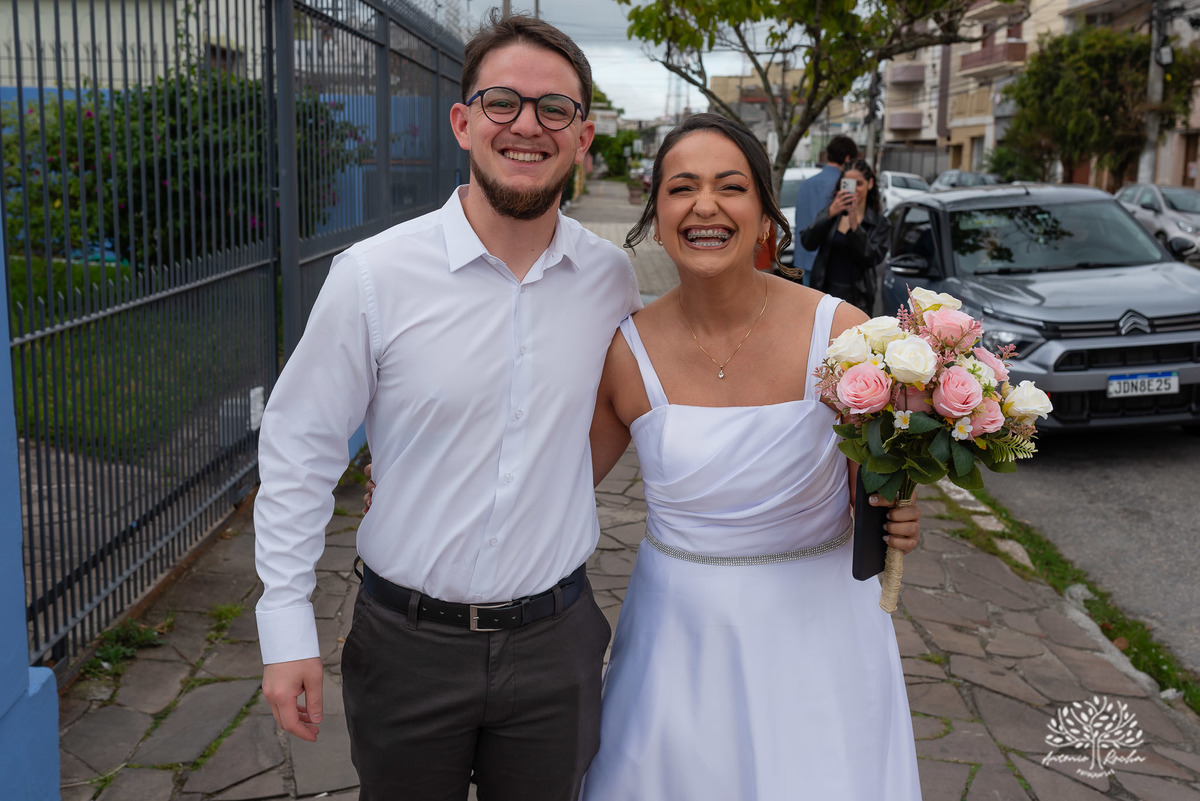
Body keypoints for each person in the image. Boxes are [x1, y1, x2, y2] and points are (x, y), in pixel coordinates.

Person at [253, 12, 640, 801]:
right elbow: (301, 448)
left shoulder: (613, 281)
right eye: (503, 102)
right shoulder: (373, 276)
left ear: (583, 136)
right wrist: (286, 627)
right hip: (407, 646)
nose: (527, 125)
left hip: (556, 643)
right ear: (463, 123)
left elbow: (652, 413)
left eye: (554, 109)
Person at [580, 114, 922, 799]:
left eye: (729, 186)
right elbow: (555, 484)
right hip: (679, 640)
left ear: (766, 213)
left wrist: (900, 508)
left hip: (819, 633)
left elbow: (877, 491)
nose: (705, 205)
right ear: (658, 213)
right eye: (682, 188)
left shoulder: (843, 335)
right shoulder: (625, 350)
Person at [800, 158, 891, 315]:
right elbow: (808, 242)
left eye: (859, 184)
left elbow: (871, 258)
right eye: (848, 184)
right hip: (825, 296)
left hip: (858, 300)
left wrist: (855, 225)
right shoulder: (832, 214)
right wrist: (828, 215)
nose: (854, 189)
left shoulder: (879, 223)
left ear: (870, 184)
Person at [791, 135, 859, 284]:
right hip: (830, 264)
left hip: (804, 257)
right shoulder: (841, 187)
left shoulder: (805, 184)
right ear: (848, 158)